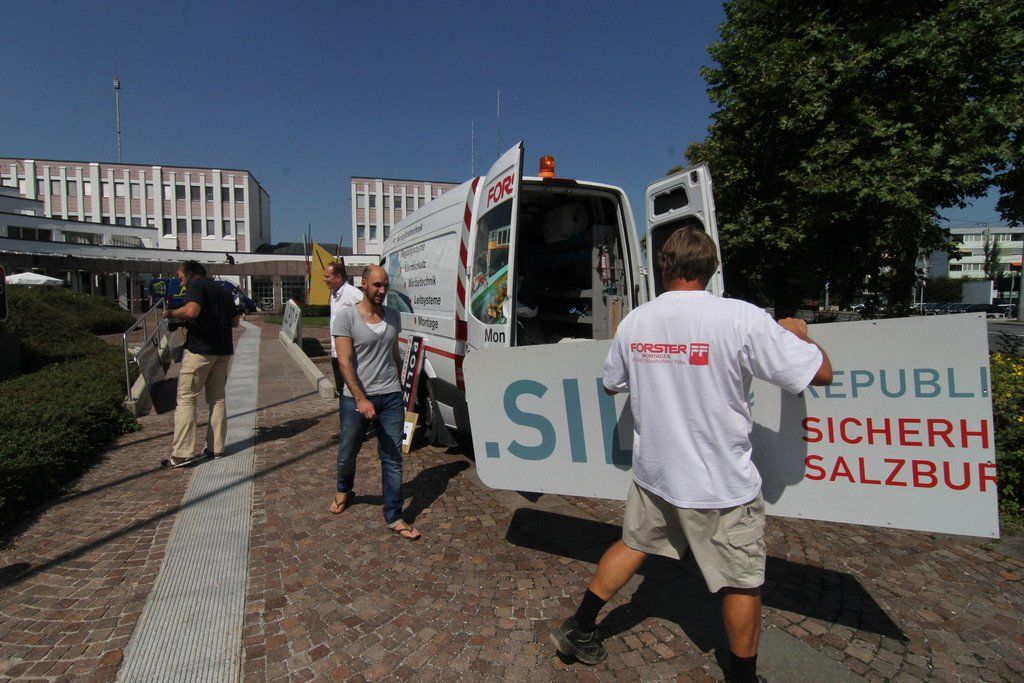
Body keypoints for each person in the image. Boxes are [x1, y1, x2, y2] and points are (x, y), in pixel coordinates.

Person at [550, 227, 833, 680]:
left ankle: (579, 626)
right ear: (711, 268)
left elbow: (611, 384)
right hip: (720, 483)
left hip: (657, 472)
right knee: (741, 581)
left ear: (664, 266)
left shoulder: (636, 321)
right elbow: (820, 373)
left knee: (634, 544)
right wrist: (801, 335)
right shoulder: (741, 317)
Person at [330, 265, 421, 540]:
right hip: (356, 399)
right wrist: (361, 399)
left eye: (385, 286)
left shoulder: (393, 316)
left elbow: (393, 353)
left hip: (390, 396)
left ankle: (395, 516)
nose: (382, 290)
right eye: (377, 285)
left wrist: (404, 390)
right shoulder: (347, 317)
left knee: (393, 458)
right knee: (348, 452)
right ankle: (344, 489)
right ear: (364, 284)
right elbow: (344, 363)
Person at [161, 260, 240, 468]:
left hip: (200, 350)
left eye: (181, 278)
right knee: (217, 399)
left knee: (186, 399)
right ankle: (216, 447)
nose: (181, 283)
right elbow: (235, 321)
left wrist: (170, 313)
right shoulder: (223, 290)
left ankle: (182, 454)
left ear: (190, 273)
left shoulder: (196, 286)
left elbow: (191, 312)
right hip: (223, 350)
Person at [324, 259, 363, 440]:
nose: (325, 279)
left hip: (349, 354)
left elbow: (368, 311)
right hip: (336, 353)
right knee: (342, 391)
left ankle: (356, 429)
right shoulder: (334, 294)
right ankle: (346, 428)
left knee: (353, 390)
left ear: (338, 277)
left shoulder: (353, 293)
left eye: (328, 276)